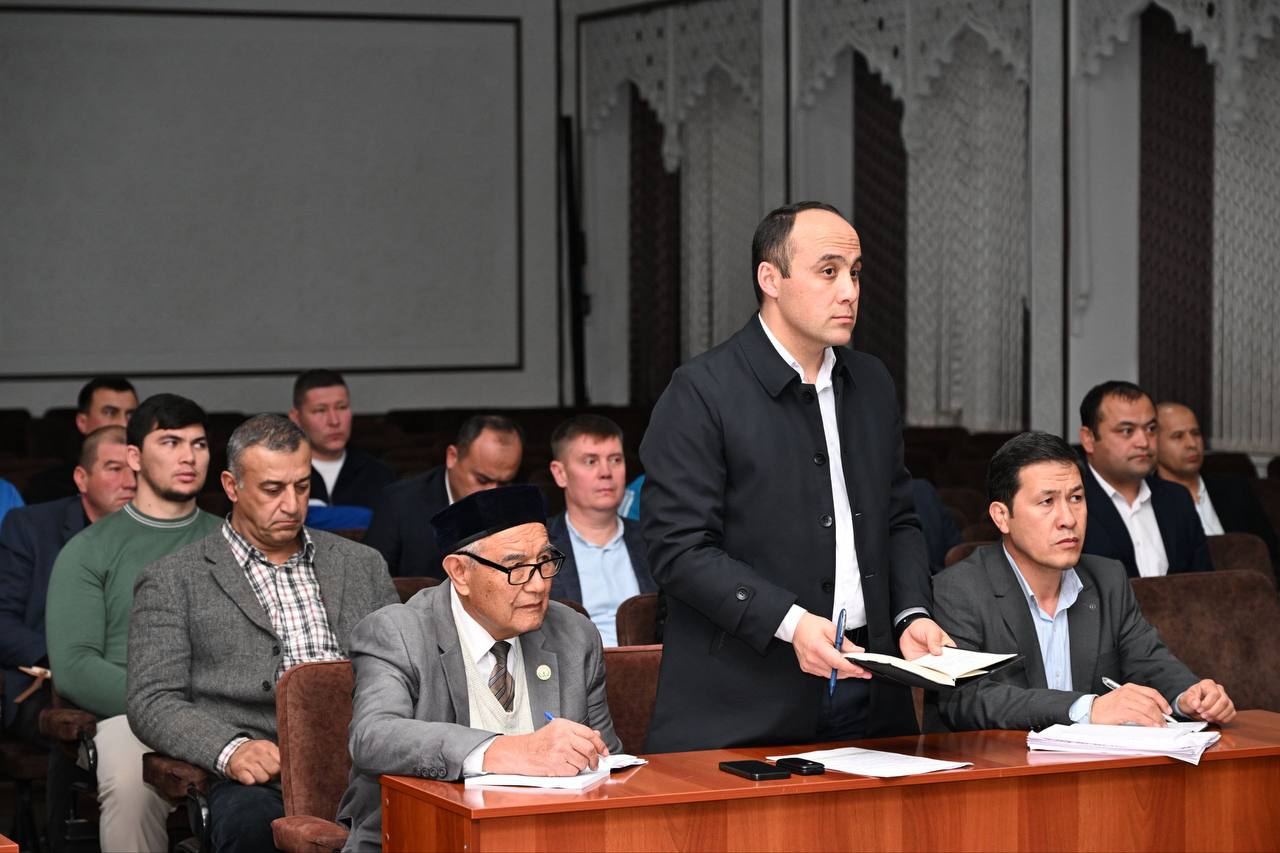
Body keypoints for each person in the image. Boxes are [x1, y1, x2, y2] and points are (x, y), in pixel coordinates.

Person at [640, 202, 947, 753]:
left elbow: (898, 520)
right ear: (771, 279)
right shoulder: (701, 391)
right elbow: (678, 549)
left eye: (855, 273)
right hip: (745, 697)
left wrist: (911, 613)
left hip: (871, 685)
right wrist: (790, 622)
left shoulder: (871, 381)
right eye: (828, 271)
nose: (849, 291)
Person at [127, 414, 397, 853]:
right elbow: (152, 699)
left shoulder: (362, 564)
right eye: (272, 489)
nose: (291, 504)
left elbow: (403, 669)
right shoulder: (174, 579)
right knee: (252, 828)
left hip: (366, 764)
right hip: (262, 776)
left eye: (302, 487)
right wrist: (230, 749)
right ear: (232, 486)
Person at [336, 485, 621, 852]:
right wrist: (504, 751)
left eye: (545, 561)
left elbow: (607, 764)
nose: (538, 585)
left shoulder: (574, 634)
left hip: (551, 838)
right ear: (460, 573)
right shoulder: (399, 632)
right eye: (516, 567)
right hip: (423, 837)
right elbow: (373, 737)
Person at [932, 431, 1236, 732]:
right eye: (1047, 502)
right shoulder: (959, 588)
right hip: (1003, 761)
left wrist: (1188, 696)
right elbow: (964, 698)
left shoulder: (1107, 579)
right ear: (1001, 516)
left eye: (1076, 498)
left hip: (1096, 761)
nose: (1068, 519)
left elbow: (1148, 661)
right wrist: (1084, 709)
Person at [45, 394, 220, 853]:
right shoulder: (89, 550)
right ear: (135, 457)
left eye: (199, 444)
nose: (188, 456)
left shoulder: (233, 540)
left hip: (229, 710)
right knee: (130, 787)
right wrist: (169, 710)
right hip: (130, 718)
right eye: (171, 442)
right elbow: (76, 667)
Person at [0, 426, 135, 744]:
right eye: (114, 469)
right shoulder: (30, 526)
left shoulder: (158, 533)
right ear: (81, 479)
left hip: (135, 681)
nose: (130, 482)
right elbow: (3, 621)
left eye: (136, 471)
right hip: (46, 683)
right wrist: (70, 663)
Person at [1078, 381, 1212, 577]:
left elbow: (1205, 584)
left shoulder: (1177, 499)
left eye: (1151, 429)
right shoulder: (1069, 505)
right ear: (1088, 439)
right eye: (1127, 431)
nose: (1143, 442)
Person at [364, 415, 523, 577]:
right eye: (482, 480)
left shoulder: (522, 506)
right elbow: (372, 581)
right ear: (452, 457)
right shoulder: (399, 504)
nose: (492, 493)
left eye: (504, 483)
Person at [545, 414, 656, 645]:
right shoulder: (540, 547)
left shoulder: (654, 540)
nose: (606, 472)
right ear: (560, 473)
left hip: (649, 665)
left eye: (615, 460)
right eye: (590, 461)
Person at [1155, 401, 1280, 573]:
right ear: (1153, 444)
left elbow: (1271, 554)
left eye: (1196, 433)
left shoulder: (1234, 489)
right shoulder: (1149, 500)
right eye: (1178, 436)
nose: (1192, 444)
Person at [288, 369, 395, 529]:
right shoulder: (281, 474)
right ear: (296, 418)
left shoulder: (380, 474)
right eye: (320, 410)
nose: (334, 421)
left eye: (342, 407)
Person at [24, 376, 138, 503]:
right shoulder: (48, 487)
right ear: (82, 422)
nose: (123, 423)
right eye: (110, 412)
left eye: (130, 415)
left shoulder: (150, 476)